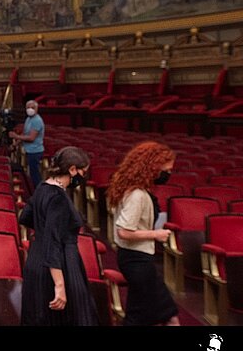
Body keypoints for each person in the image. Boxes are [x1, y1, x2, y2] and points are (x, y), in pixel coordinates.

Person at [19, 146, 98, 326]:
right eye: (83, 172)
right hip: (59, 267)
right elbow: (54, 243)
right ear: (71, 169)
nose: (83, 177)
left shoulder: (42, 187)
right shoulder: (59, 198)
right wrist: (60, 286)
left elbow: (25, 217)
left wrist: (43, 229)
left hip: (36, 262)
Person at [107, 141, 180, 326]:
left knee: (165, 315)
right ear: (152, 167)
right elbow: (123, 232)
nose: (168, 174)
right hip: (136, 261)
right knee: (147, 317)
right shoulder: (137, 195)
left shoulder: (137, 190)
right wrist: (155, 234)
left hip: (139, 259)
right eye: (167, 170)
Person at [9, 99, 45, 186]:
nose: (30, 109)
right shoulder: (29, 119)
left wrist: (16, 136)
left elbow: (31, 137)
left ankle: (39, 193)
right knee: (32, 174)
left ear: (36, 109)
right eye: (28, 107)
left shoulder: (37, 120)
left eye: (32, 107)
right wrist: (16, 142)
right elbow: (25, 133)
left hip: (35, 151)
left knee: (35, 176)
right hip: (29, 150)